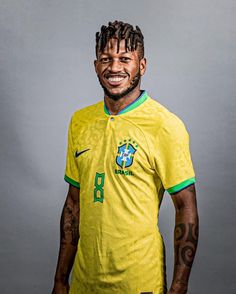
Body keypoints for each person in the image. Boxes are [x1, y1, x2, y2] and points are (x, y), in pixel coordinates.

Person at [52, 20, 199, 294]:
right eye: (106, 59)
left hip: (139, 282)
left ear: (141, 66)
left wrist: (179, 286)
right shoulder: (80, 122)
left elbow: (185, 207)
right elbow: (74, 203)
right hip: (84, 283)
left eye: (125, 59)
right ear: (96, 65)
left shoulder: (165, 125)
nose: (115, 68)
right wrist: (61, 279)